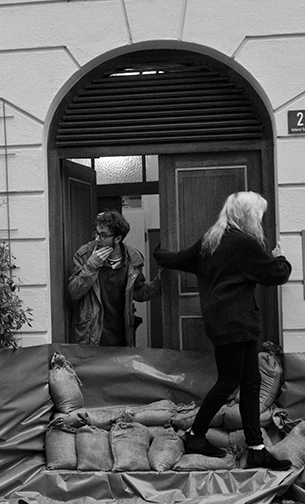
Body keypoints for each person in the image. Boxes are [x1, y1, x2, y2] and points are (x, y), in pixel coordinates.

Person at [153, 191, 292, 470]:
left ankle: (256, 449)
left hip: (227, 324)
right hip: (237, 324)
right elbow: (275, 275)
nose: (260, 220)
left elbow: (179, 259)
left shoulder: (211, 240)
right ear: (247, 215)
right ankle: (196, 434)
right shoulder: (244, 243)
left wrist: (159, 254)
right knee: (229, 382)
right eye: (258, 214)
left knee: (250, 384)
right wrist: (281, 258)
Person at [68, 209, 161, 346]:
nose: (97, 239)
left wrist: (160, 283)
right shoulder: (85, 254)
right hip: (91, 336)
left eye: (103, 235)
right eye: (97, 233)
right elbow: (73, 292)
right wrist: (91, 267)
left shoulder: (133, 259)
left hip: (122, 337)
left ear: (117, 238)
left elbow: (138, 292)